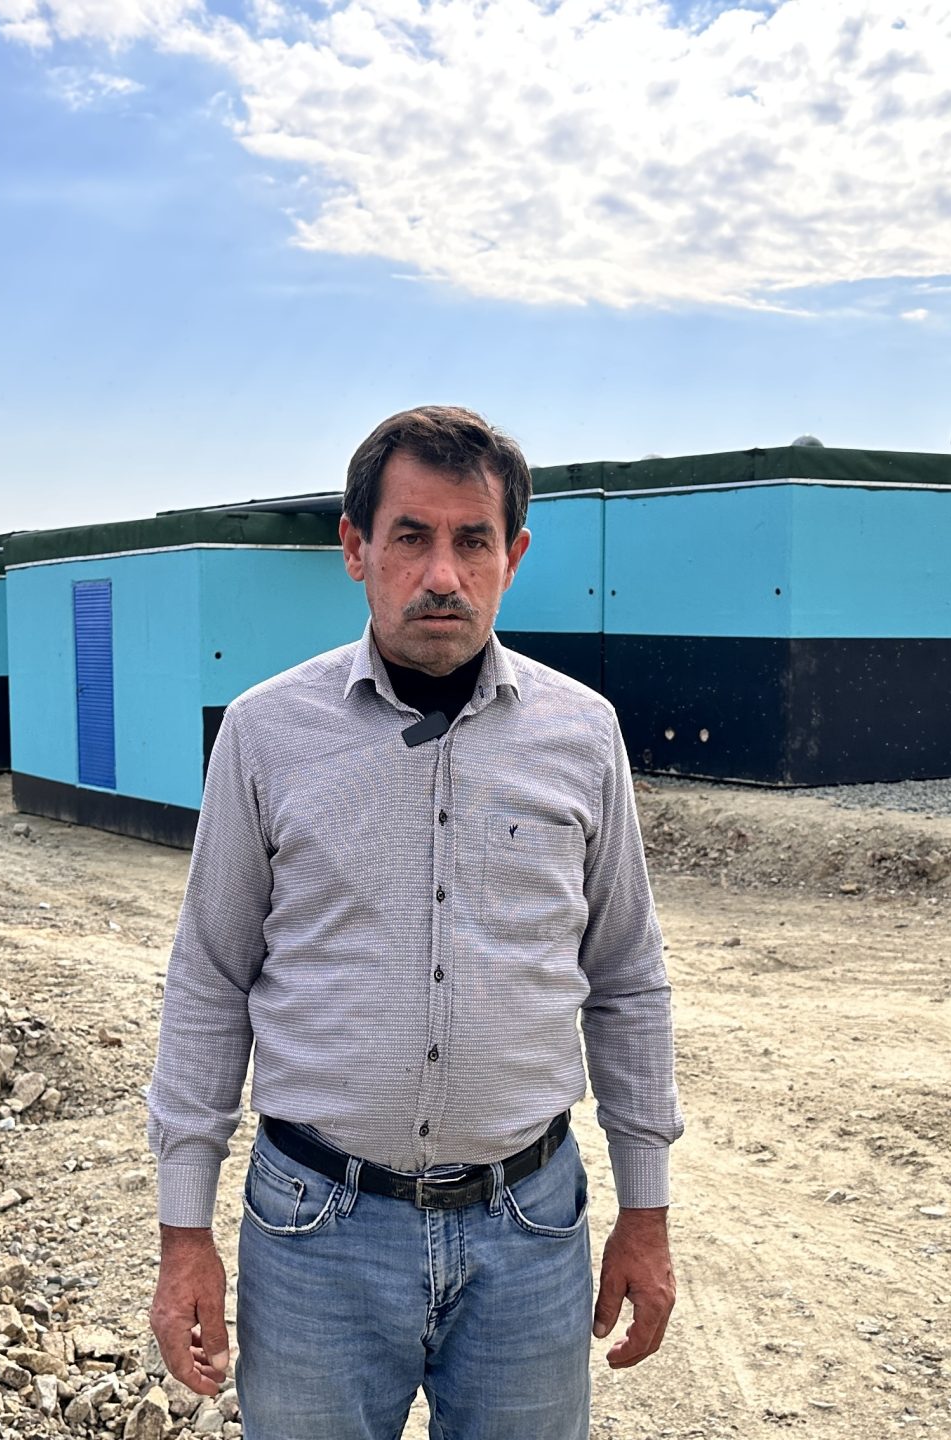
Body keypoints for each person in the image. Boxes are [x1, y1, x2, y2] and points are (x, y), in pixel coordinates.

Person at [145, 405, 684, 1439]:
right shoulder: (265, 734)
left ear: (513, 557)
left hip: (530, 1233)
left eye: (473, 540)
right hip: (315, 1235)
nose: (443, 574)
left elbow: (626, 979)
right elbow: (210, 977)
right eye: (411, 537)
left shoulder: (583, 734)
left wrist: (647, 1212)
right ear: (355, 548)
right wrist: (183, 1235)